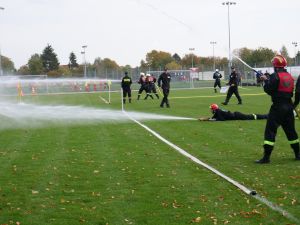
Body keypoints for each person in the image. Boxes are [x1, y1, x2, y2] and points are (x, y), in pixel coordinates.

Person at [256, 55, 300, 163]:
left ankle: (266, 157)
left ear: (275, 65)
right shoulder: (289, 76)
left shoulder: (275, 76)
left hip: (278, 107)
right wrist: (268, 79)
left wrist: (265, 81)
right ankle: (298, 154)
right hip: (289, 107)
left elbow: (269, 90)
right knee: (291, 132)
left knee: (270, 131)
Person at [198, 103, 268, 121]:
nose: (211, 110)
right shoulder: (218, 111)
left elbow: (221, 119)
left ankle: (265, 116)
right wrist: (206, 119)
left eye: (211, 109)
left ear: (214, 109)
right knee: (250, 116)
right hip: (236, 114)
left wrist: (207, 120)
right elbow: (213, 118)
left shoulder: (218, 112)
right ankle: (265, 116)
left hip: (237, 116)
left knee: (251, 117)